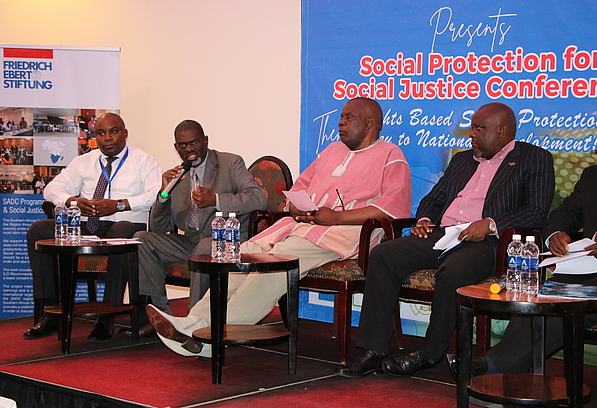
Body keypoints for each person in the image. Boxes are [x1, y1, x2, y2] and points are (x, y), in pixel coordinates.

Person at [145, 97, 412, 358]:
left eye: (349, 117)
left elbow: (392, 209)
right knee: (238, 259)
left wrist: (336, 218)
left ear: (369, 123)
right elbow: (300, 188)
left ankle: (209, 337)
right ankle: (193, 323)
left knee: (273, 268)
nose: (341, 122)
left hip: (342, 233)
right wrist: (295, 206)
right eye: (341, 117)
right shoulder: (332, 151)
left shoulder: (390, 155)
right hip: (298, 227)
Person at [335, 102, 555, 378]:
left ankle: (430, 352)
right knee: (384, 254)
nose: (472, 134)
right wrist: (425, 220)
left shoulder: (533, 158)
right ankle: (373, 349)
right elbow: (434, 198)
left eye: (479, 128)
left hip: (489, 243)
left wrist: (489, 225)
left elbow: (535, 211)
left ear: (501, 131)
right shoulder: (463, 160)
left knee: (453, 270)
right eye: (472, 128)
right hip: (444, 234)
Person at [449, 113, 597, 378]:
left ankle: (495, 367)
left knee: (572, 303)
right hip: (587, 265)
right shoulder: (595, 177)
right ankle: (504, 368)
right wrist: (555, 234)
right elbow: (564, 214)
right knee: (538, 295)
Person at [24, 113, 162, 342]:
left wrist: (119, 205)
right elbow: (51, 189)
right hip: (86, 225)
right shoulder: (84, 161)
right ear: (95, 136)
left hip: (125, 224)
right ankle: (50, 313)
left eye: (114, 131)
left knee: (122, 231)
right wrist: (74, 202)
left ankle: (106, 318)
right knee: (39, 230)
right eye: (101, 133)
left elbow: (156, 195)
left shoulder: (143, 161)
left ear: (125, 133)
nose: (107, 138)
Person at [132, 119, 267, 336]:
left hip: (227, 241)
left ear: (205, 141)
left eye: (194, 143)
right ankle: (161, 314)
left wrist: (216, 199)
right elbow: (158, 228)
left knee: (205, 247)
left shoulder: (230, 163)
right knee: (142, 239)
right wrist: (164, 194)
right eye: (182, 145)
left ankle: (196, 321)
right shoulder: (179, 175)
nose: (189, 149)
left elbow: (258, 198)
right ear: (176, 148)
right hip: (192, 240)